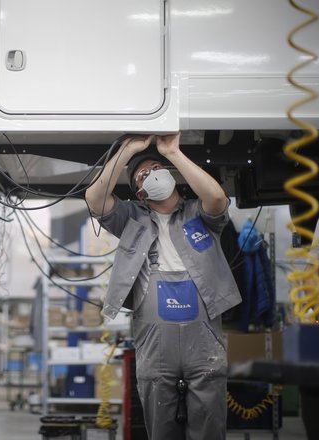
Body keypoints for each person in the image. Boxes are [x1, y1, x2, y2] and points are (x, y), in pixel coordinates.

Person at [85, 133, 241, 440]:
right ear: (140, 194)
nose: (154, 173)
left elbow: (219, 199)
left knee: (209, 422)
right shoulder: (131, 219)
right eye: (144, 175)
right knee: (161, 427)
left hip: (204, 337)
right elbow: (95, 199)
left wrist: (173, 153)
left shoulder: (199, 213)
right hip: (155, 339)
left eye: (158, 167)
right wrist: (128, 151)